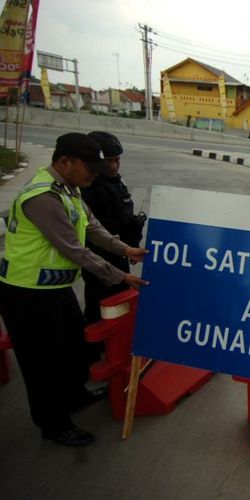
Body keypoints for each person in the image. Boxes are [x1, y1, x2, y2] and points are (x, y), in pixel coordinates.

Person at [0, 133, 149, 447]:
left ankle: (75, 395)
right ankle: (53, 424)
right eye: (89, 167)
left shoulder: (70, 190)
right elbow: (75, 251)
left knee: (72, 348)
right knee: (42, 363)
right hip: (26, 294)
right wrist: (122, 276)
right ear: (64, 161)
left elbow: (93, 228)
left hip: (56, 289)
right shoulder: (43, 197)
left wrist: (125, 248)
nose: (94, 173)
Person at [81, 132, 146, 328]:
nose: (115, 165)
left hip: (119, 251)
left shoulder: (116, 181)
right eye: (110, 161)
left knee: (121, 301)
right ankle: (97, 347)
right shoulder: (87, 188)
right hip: (99, 256)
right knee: (100, 305)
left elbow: (125, 216)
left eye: (117, 160)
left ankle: (117, 340)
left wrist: (131, 246)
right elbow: (94, 230)